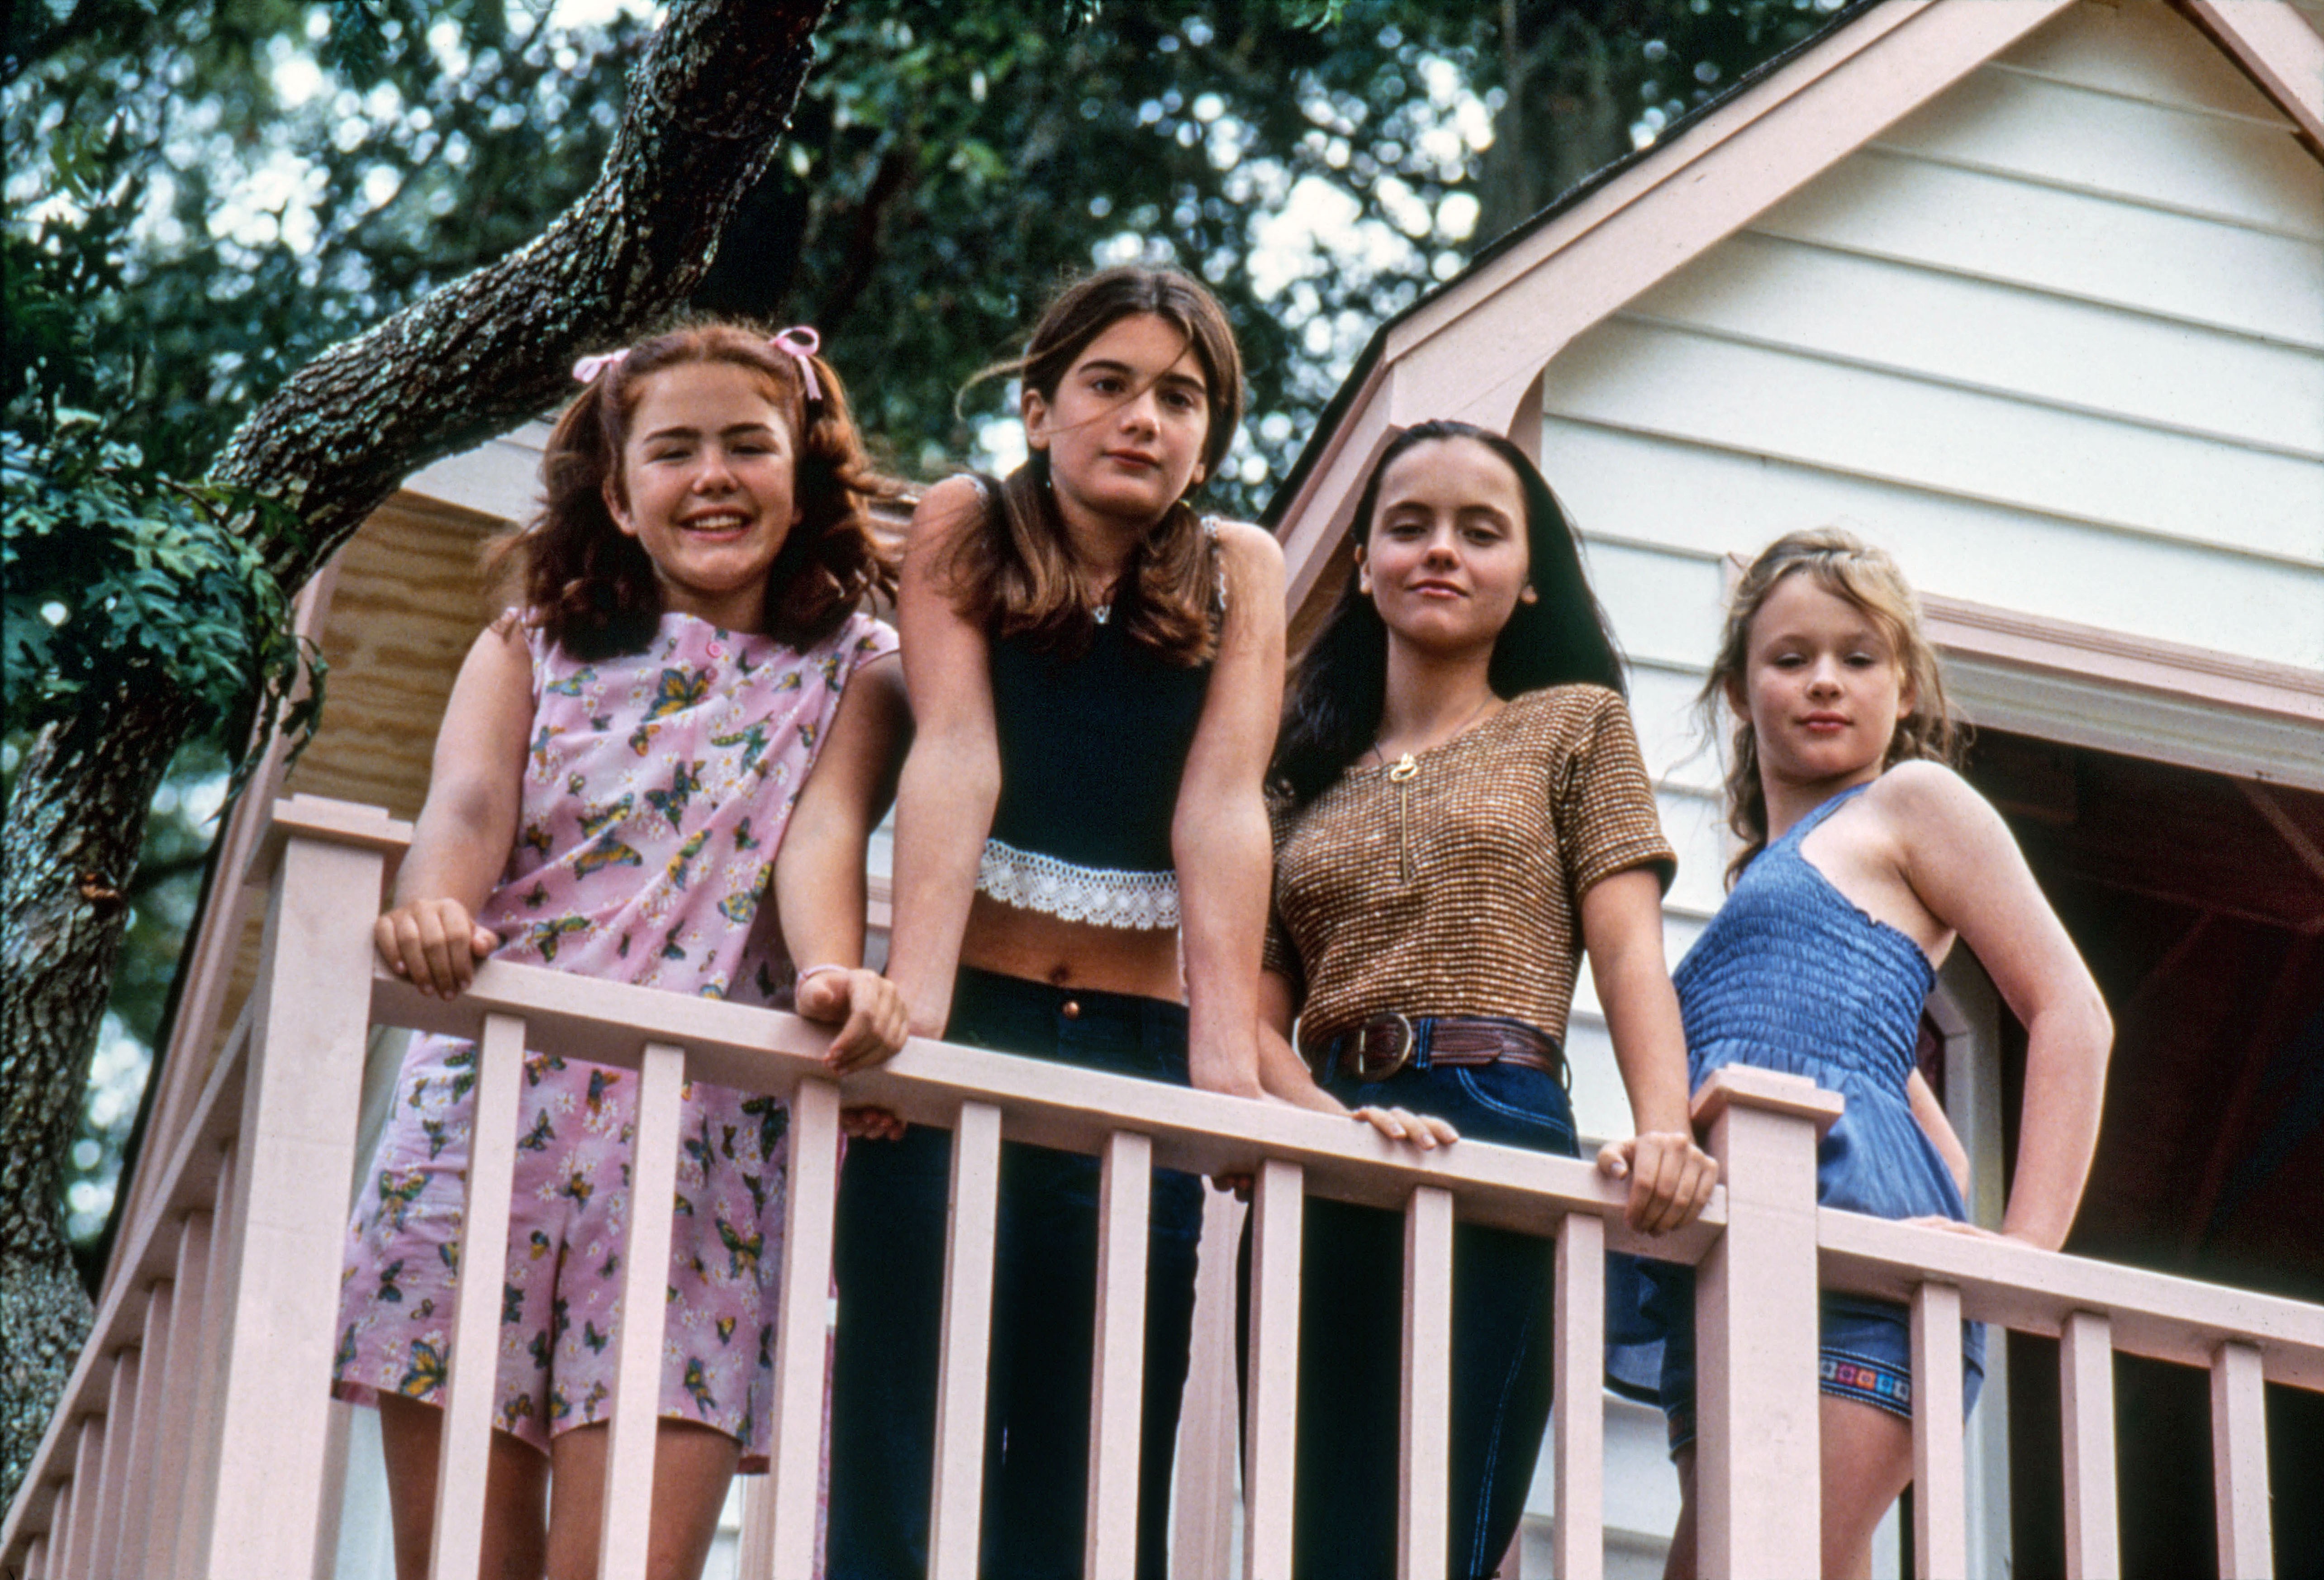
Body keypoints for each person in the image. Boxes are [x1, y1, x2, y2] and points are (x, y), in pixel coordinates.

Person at [332, 321, 912, 1580]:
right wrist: (434, 900)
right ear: (618, 492)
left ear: (802, 473)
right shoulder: (528, 641)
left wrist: (831, 969)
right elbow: (469, 806)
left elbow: (823, 833)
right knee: (460, 1560)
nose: (713, 474)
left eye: (748, 444)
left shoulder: (854, 666)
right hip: (488, 1118)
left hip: (700, 1148)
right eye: (674, 450)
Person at [825, 265, 1284, 1580]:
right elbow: (956, 752)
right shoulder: (969, 522)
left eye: (1179, 397)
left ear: (1208, 438)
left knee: (1094, 1472)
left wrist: (1223, 1058)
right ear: (1038, 408)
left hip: (1133, 1058)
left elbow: (1221, 809)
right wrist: (910, 1016)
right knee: (909, 1439)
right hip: (975, 1020)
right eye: (1109, 383)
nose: (1143, 416)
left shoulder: (1237, 569)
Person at [1243, 419, 1716, 1579]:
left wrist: (1665, 1128)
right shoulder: (1293, 772)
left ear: (1527, 574)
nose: (1440, 551)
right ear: (1362, 564)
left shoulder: (1573, 726)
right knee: (1307, 1541)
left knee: (1432, 1536)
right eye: (1408, 527)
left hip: (1494, 1118)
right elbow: (1249, 1013)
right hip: (1320, 1133)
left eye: (1479, 531)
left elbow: (1627, 954)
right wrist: (1316, 1114)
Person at [1649, 527, 2111, 1580]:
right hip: (1732, 1272)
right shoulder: (1759, 886)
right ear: (1736, 690)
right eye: (1789, 657)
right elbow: (1891, 1088)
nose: (1824, 682)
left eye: (1858, 658)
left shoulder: (1911, 804)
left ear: (1903, 689)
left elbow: (2070, 1012)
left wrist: (2023, 1254)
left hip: (1852, 1288)